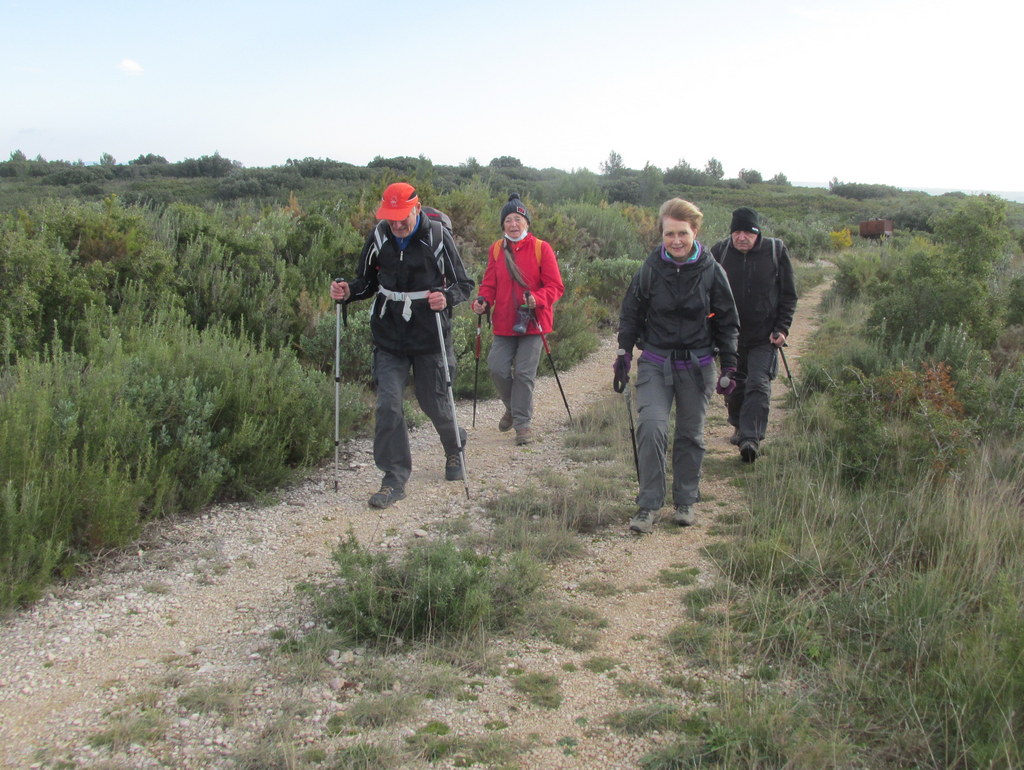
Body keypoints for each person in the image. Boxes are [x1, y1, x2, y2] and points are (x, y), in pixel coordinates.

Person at [330, 182, 474, 509]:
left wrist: (446, 297)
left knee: (433, 401)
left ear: (416, 209)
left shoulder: (437, 237)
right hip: (389, 334)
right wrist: (347, 291)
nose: (396, 225)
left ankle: (454, 445)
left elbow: (464, 284)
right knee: (387, 404)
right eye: (390, 218)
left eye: (401, 218)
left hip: (429, 333)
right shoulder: (380, 236)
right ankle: (394, 477)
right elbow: (366, 281)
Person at [614, 198, 739, 533]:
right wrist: (624, 353)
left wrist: (729, 366)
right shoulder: (650, 269)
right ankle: (648, 505)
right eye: (670, 234)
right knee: (651, 427)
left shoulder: (712, 270)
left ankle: (685, 499)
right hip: (656, 361)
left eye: (682, 233)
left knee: (690, 434)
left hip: (697, 365)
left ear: (695, 231)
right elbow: (631, 314)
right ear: (662, 234)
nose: (676, 240)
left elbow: (727, 321)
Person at [471, 193, 565, 445]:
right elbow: (489, 283)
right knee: (497, 367)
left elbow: (556, 286)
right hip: (504, 321)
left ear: (527, 223)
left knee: (524, 373)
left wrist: (538, 298)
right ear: (503, 224)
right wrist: (482, 301)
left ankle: (522, 424)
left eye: (518, 219)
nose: (513, 224)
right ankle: (512, 408)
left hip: (534, 322)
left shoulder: (540, 248)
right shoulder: (495, 249)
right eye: (508, 220)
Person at [710, 207, 798, 464]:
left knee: (759, 383)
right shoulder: (720, 252)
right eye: (736, 232)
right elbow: (707, 293)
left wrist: (782, 328)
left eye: (747, 232)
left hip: (764, 336)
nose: (741, 237)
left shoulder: (775, 251)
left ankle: (751, 439)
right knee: (734, 386)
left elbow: (788, 294)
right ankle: (738, 424)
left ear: (757, 233)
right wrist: (710, 327)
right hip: (730, 336)